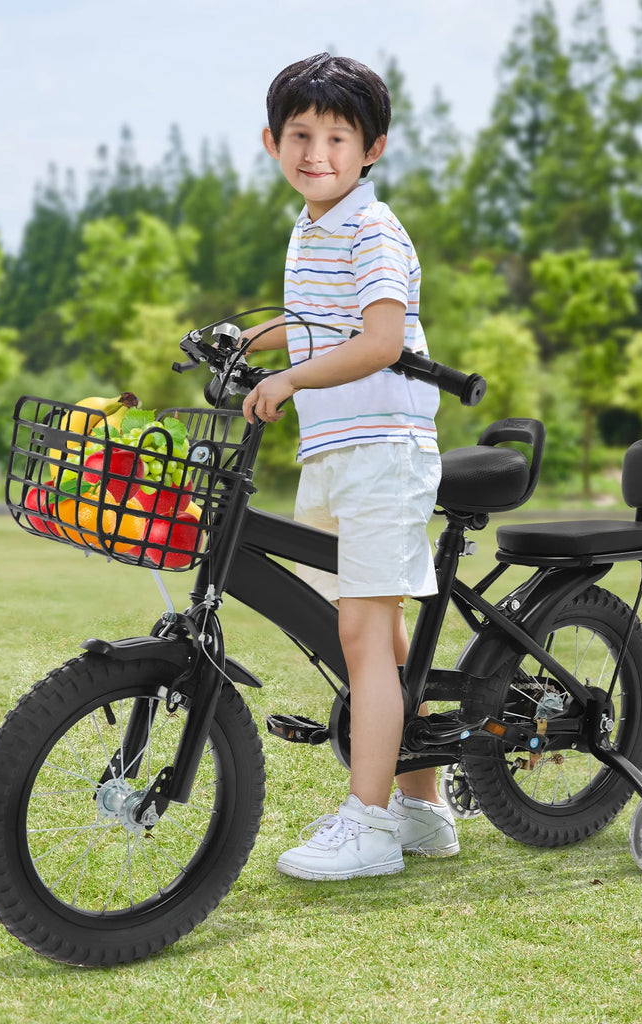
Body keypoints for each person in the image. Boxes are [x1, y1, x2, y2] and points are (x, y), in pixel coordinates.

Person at [242, 54, 459, 880]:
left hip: (383, 447)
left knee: (364, 633)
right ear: (272, 141)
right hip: (336, 450)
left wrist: (290, 376)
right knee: (380, 633)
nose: (316, 151)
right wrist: (251, 339)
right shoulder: (311, 227)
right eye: (301, 134)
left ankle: (369, 824)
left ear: (371, 148)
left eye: (338, 136)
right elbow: (316, 323)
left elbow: (377, 338)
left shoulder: (371, 228)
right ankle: (424, 808)